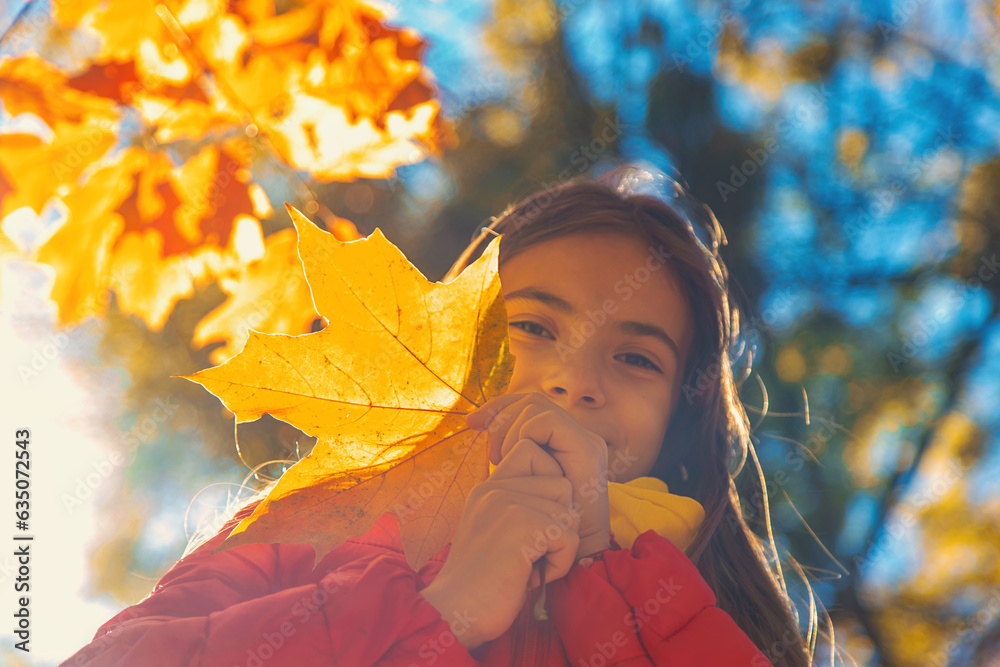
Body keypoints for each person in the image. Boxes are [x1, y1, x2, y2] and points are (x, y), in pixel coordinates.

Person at [61, 163, 819, 666]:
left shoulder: (697, 606)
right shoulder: (307, 533)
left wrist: (595, 576)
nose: (571, 380)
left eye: (636, 358)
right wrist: (442, 613)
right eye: (533, 327)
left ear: (680, 428)